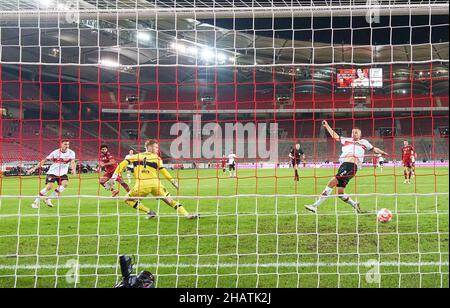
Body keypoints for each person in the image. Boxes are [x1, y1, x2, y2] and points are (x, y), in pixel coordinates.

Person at [305, 121, 388, 214]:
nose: (354, 133)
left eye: (356, 132)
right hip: (343, 165)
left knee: (331, 182)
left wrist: (383, 152)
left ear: (360, 134)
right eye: (353, 132)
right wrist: (327, 126)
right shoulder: (346, 140)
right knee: (340, 193)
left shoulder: (364, 142)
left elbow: (374, 149)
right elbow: (335, 135)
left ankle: (314, 206)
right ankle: (355, 204)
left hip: (351, 166)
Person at [105, 139, 198, 220]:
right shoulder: (157, 158)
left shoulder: (135, 156)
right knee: (170, 201)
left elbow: (121, 164)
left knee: (127, 199)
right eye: (156, 147)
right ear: (149, 147)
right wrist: (172, 181)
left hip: (142, 186)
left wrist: (113, 178)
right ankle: (187, 214)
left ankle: (149, 211)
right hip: (156, 185)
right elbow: (163, 171)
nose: (157, 149)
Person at [28, 140, 76, 208]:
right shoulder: (55, 152)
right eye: (65, 144)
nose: (67, 146)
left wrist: (74, 170)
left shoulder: (71, 153)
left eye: (68, 144)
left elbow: (73, 162)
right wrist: (34, 168)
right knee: (49, 187)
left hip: (62, 173)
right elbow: (44, 160)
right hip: (53, 172)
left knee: (65, 184)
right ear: (61, 144)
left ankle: (49, 199)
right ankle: (35, 202)